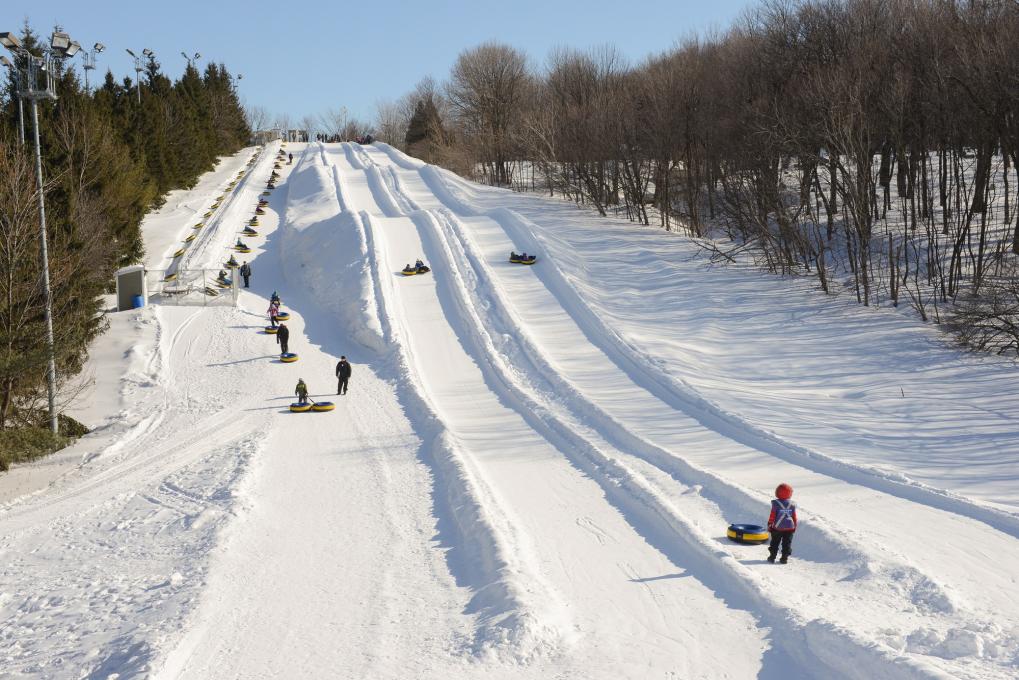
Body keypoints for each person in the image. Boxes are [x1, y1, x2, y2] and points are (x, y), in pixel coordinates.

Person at [767, 483, 798, 564]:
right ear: (790, 493)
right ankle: (784, 558)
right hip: (790, 528)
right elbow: (794, 517)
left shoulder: (776, 504)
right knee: (787, 543)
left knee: (775, 542)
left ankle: (772, 557)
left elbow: (772, 516)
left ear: (777, 493)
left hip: (777, 528)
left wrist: (770, 524)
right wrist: (794, 526)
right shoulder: (792, 504)